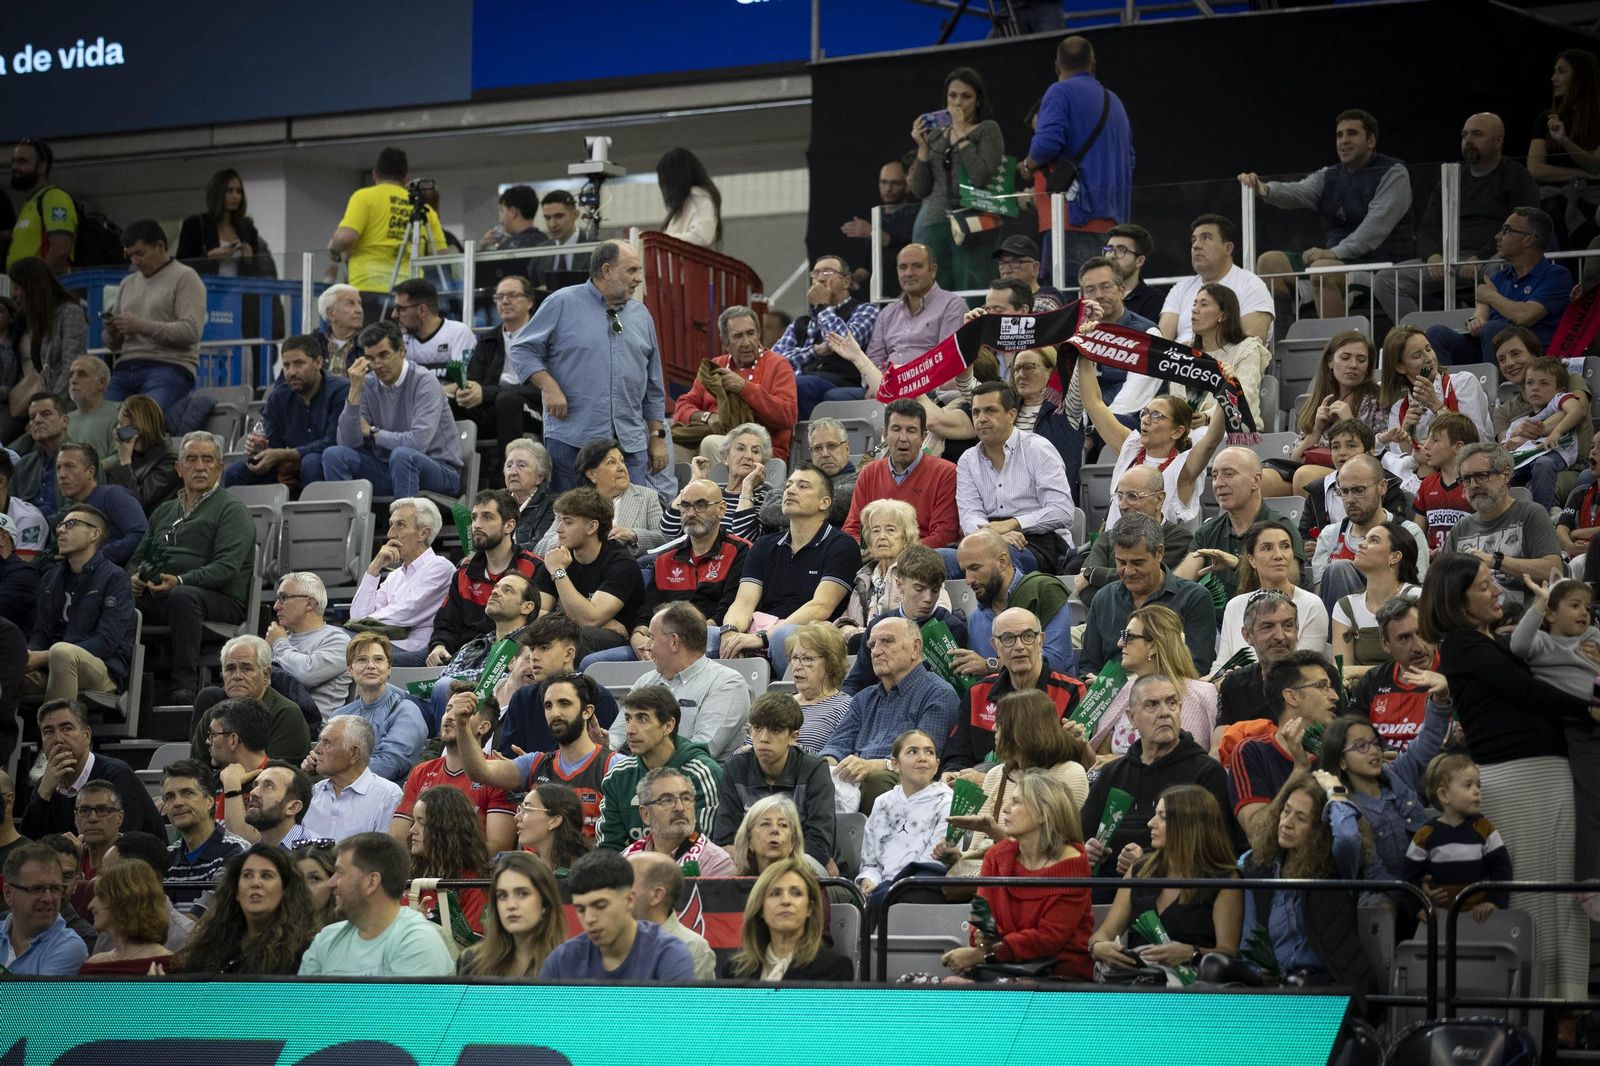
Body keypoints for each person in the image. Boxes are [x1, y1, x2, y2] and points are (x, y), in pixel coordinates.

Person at [1423, 551, 1595, 999]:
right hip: (1516, 782)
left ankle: (1562, 1004)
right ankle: (1527, 1001)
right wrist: (1590, 710)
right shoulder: (1461, 646)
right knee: (1527, 895)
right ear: (1457, 601)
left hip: (1547, 778)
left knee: (1557, 894)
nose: (1497, 590)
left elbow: (1553, 669)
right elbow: (1526, 691)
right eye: (1484, 586)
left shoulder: (1498, 642)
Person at [508, 239, 669, 491]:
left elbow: (654, 383)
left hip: (630, 444)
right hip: (572, 439)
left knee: (632, 515)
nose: (638, 278)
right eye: (632, 270)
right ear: (607, 270)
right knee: (572, 513)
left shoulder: (642, 315)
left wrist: (657, 437)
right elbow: (522, 349)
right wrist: (549, 386)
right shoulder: (561, 303)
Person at [1242, 109, 1414, 319]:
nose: (1344, 141)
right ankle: (1282, 334)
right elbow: (1299, 191)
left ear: (1371, 141)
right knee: (1269, 262)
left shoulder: (1394, 172)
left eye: (1352, 133)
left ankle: (1335, 340)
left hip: (1381, 265)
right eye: (1339, 135)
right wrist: (1265, 189)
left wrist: (1333, 253)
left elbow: (1374, 230)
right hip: (1336, 260)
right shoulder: (1330, 174)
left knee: (1322, 270)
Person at [1379, 113, 1542, 326]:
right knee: (1385, 280)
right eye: (1464, 135)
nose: (1468, 141)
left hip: (1491, 259)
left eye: (1477, 134)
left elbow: (1520, 227)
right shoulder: (1451, 177)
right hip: (1448, 260)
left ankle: (1494, 332)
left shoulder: (1517, 177)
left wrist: (1480, 256)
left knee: (1504, 270)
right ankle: (1422, 337)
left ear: (1497, 140)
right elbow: (1429, 225)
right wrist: (1433, 255)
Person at [130, 430, 254, 704]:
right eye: (191, 459)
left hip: (220, 598)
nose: (200, 467)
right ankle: (121, 683)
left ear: (220, 468)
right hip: (162, 594)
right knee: (117, 596)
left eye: (208, 460)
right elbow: (139, 557)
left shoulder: (231, 510)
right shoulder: (164, 511)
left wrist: (181, 580)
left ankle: (183, 686)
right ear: (178, 468)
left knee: (183, 597)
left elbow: (226, 568)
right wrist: (134, 578)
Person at [940, 770, 1094, 981]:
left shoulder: (1073, 865)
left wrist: (985, 954)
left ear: (1043, 813)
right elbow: (982, 916)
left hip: (1057, 973)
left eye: (1016, 802)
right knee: (946, 984)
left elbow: (1049, 938)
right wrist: (984, 937)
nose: (1005, 808)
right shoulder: (996, 856)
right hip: (1001, 967)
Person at [1081, 674, 1235, 881]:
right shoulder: (1112, 774)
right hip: (1106, 887)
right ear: (1132, 717)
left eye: (1171, 703)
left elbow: (1216, 850)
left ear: (1180, 709)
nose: (1164, 713)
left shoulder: (1206, 773)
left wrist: (1149, 861)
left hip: (1177, 890)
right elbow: (1082, 837)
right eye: (1151, 705)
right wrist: (1088, 851)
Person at [1239, 771, 1384, 990]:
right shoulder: (1257, 865)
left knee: (1298, 985)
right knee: (1215, 968)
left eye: (1301, 818)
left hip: (1327, 985)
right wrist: (1260, 972)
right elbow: (1250, 940)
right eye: (1286, 811)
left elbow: (1347, 837)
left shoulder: (1336, 865)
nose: (1287, 823)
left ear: (1319, 831)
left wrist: (1335, 791)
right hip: (1274, 986)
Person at [719, 464, 859, 679]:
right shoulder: (764, 545)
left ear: (824, 502)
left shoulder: (842, 545)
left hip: (813, 633)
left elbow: (821, 606)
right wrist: (730, 632)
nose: (791, 490)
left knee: (784, 637)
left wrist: (763, 637)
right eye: (788, 486)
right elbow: (743, 603)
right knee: (709, 636)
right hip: (761, 631)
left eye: (803, 486)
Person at [1087, 785, 1243, 977]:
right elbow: (1104, 933)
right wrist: (1098, 947)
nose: (1151, 823)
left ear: (1189, 825)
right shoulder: (1139, 870)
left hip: (1193, 985)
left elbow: (1228, 953)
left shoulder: (1225, 880)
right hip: (1137, 982)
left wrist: (1191, 953)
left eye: (1162, 817)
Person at [1509, 571, 1600, 897]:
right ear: (1550, 614)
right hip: (1576, 729)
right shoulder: (1541, 643)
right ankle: (1591, 884)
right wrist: (1539, 603)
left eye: (1587, 607)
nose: (1583, 612)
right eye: (1574, 605)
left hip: (1596, 718)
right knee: (1591, 805)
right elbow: (1517, 644)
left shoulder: (1594, 637)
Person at [940, 689, 1092, 879]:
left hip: (1037, 885)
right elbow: (978, 850)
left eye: (1001, 723)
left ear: (1022, 729)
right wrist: (956, 857)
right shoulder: (996, 774)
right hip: (989, 880)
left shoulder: (1070, 774)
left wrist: (996, 832)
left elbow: (1055, 852)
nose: (993, 728)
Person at [1016, 37, 1132, 276]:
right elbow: (1130, 161)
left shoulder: (1059, 92)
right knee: (1101, 296)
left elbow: (1047, 144)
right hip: (1113, 227)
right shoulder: (1116, 102)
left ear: (1057, 67)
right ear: (1093, 64)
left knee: (1068, 297)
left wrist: (1028, 164)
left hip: (1071, 222)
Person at [821, 617, 961, 814]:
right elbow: (837, 746)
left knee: (878, 780)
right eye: (872, 645)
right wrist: (818, 766)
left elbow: (921, 758)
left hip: (903, 783)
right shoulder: (863, 698)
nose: (876, 651)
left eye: (887, 641)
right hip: (854, 780)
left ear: (915, 648)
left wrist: (873, 766)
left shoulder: (938, 694)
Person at [1079, 353, 1226, 531]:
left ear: (1177, 431)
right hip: (1111, 546)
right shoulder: (1132, 448)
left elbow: (1211, 441)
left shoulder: (1182, 468)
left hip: (1157, 548)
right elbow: (1094, 403)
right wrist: (1084, 354)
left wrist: (1226, 388)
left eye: (1156, 416)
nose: (1145, 420)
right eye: (1145, 413)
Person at [323, 320, 463, 500]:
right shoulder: (367, 383)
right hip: (390, 468)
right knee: (333, 455)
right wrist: (354, 390)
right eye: (370, 359)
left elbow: (417, 444)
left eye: (383, 355)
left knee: (403, 455)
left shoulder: (425, 381)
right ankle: (350, 518)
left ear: (402, 351)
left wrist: (373, 433)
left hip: (439, 470)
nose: (377, 364)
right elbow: (347, 443)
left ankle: (404, 518)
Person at [954, 382, 1075, 576]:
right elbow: (969, 515)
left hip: (1038, 542)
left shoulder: (1038, 449)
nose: (981, 419)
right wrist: (993, 537)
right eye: (976, 412)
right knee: (936, 560)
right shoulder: (967, 460)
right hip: (986, 540)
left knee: (997, 560)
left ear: (1011, 415)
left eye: (990, 410)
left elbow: (1062, 511)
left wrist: (1014, 523)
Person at [945, 606, 1085, 773]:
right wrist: (953, 775)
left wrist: (994, 781)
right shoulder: (978, 693)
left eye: (1028, 636)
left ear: (1041, 641)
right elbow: (957, 757)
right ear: (995, 646)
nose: (1019, 646)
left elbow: (1073, 764)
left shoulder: (1071, 691)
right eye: (1008, 638)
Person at [1322, 702, 1450, 885]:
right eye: (1361, 746)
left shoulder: (1396, 775)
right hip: (1388, 895)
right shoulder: (1345, 809)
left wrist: (1439, 701)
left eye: (1375, 743)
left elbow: (1427, 741)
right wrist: (1415, 894)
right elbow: (1372, 874)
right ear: (1341, 761)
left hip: (1431, 883)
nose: (1374, 751)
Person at [1427, 208, 1572, 364]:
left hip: (1531, 355)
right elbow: (1479, 315)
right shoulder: (1498, 277)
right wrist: (1474, 322)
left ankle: (1495, 380)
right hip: (1487, 347)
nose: (1497, 236)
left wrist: (1491, 296)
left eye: (1507, 230)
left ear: (1528, 240)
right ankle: (1437, 381)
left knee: (1493, 328)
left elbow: (1525, 316)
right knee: (1437, 333)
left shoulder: (1556, 275)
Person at [605, 604, 750, 761]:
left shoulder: (727, 683)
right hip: (642, 770)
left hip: (695, 775)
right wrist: (603, 746)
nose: (646, 646)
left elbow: (702, 751)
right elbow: (616, 738)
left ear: (674, 642)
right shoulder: (645, 681)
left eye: (652, 638)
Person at [298, 831, 454, 976]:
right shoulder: (326, 939)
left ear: (371, 882)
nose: (331, 883)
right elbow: (302, 997)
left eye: (340, 873)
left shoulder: (417, 941)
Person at [25, 503, 134, 704]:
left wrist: (46, 656)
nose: (60, 530)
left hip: (101, 668)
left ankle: (60, 724)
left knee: (62, 652)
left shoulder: (115, 578)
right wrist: (30, 655)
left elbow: (106, 642)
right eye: (60, 525)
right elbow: (40, 633)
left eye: (71, 524)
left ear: (94, 534)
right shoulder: (50, 578)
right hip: (51, 665)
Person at [1226, 651, 1343, 838]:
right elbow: (1257, 833)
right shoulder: (1252, 752)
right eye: (1322, 686)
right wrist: (1299, 771)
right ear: (1292, 697)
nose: (1334, 696)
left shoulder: (1338, 752)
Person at [1082, 514, 1218, 675]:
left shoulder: (1194, 598)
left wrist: (1135, 684)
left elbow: (1197, 667)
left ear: (1159, 553)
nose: (1129, 571)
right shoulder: (1104, 599)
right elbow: (1088, 666)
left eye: (1137, 562)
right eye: (1121, 562)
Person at [326, 147, 447, 324]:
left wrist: (333, 249)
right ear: (406, 178)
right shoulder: (423, 208)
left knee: (372, 340)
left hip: (368, 287)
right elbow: (441, 255)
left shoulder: (364, 197)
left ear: (375, 174)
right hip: (410, 295)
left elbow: (345, 238)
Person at [908, 67, 1004, 290]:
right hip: (935, 222)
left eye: (966, 96)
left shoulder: (987, 129)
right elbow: (920, 189)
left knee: (972, 287)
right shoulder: (937, 135)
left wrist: (961, 132)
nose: (958, 102)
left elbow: (980, 176)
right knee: (937, 292)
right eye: (952, 95)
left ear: (978, 101)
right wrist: (922, 149)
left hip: (973, 221)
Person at [713, 693, 836, 866]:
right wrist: (764, 858)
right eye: (757, 728)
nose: (763, 738)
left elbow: (819, 845)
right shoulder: (736, 768)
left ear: (793, 737)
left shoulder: (814, 770)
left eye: (775, 730)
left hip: (803, 864)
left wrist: (770, 861)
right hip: (752, 864)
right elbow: (724, 840)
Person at [596, 685, 724, 851]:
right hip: (631, 866)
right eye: (628, 719)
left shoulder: (701, 773)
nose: (630, 730)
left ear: (668, 726)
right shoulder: (618, 776)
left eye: (642, 719)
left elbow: (702, 845)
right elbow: (608, 847)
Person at [540, 848, 695, 980]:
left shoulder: (669, 955)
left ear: (629, 900)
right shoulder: (562, 959)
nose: (589, 919)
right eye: (581, 909)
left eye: (600, 906)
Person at [1178, 448, 1310, 604]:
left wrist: (1238, 564)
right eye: (1214, 476)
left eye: (1229, 474)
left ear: (1256, 481)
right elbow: (1179, 584)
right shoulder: (1208, 531)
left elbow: (1288, 584)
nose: (1218, 483)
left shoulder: (1280, 528)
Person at [100, 221, 207, 410]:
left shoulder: (186, 277)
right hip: (125, 367)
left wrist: (141, 326)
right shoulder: (127, 283)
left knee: (146, 418)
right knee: (103, 419)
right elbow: (113, 344)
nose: (135, 261)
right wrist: (111, 330)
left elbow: (191, 331)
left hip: (169, 366)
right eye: (130, 255)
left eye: (140, 253)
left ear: (160, 246)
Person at [425, 490, 541, 665]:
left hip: (508, 658)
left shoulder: (534, 568)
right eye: (474, 518)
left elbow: (534, 625)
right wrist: (440, 645)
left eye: (487, 517)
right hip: (458, 656)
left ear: (509, 526)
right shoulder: (463, 573)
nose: (477, 525)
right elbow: (447, 622)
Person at [672, 305, 799, 464]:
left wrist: (744, 388)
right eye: (738, 336)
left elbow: (788, 415)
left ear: (758, 334)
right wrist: (707, 417)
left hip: (762, 450)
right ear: (726, 343)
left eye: (751, 333)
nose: (746, 342)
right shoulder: (716, 365)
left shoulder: (778, 364)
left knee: (711, 443)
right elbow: (683, 406)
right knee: (670, 448)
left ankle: (713, 482)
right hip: (708, 438)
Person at [20, 699, 164, 840]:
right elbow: (27, 847)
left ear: (87, 735)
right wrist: (42, 796)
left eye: (66, 729)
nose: (57, 739)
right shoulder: (44, 786)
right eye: (48, 732)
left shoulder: (117, 774)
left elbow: (125, 844)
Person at [392, 695, 516, 855]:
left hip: (469, 871)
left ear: (483, 727)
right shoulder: (421, 771)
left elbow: (498, 848)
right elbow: (398, 837)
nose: (450, 716)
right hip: (422, 869)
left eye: (462, 712)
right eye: (448, 709)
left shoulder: (498, 775)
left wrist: (440, 856)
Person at [1443, 443, 1563, 607]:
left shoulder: (1531, 514)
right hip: (1472, 615)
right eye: (1466, 479)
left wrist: (1496, 561)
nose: (1473, 485)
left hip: (1521, 616)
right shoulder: (1461, 528)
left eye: (1481, 475)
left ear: (1506, 475)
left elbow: (1554, 570)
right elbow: (1443, 581)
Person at [1090, 605, 1218, 758]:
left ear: (1153, 646)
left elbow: (1194, 762)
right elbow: (1099, 757)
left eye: (1128, 636)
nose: (1120, 643)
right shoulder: (1120, 689)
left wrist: (1120, 763)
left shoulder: (1203, 694)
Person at [534, 487, 646, 660]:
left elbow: (590, 620)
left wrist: (558, 572)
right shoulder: (558, 557)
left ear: (592, 527)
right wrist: (587, 620)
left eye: (568, 522)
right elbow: (534, 614)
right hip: (591, 628)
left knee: (577, 638)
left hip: (619, 638)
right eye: (560, 521)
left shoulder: (621, 564)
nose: (559, 529)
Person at [1311, 454, 1430, 616]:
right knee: (1338, 570)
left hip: (1391, 621)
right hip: (1339, 624)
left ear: (1382, 487)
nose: (1350, 499)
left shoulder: (1408, 532)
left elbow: (1418, 596)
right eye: (1344, 491)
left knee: (1340, 569)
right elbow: (1321, 599)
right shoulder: (1330, 535)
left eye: (1359, 490)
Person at [1271, 332, 1386, 498]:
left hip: (1356, 473)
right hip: (1309, 469)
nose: (1353, 365)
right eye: (1345, 358)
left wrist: (1351, 423)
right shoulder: (1320, 398)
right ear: (1330, 362)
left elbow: (1380, 453)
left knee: (1304, 476)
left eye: (1361, 360)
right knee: (1262, 480)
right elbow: (1293, 461)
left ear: (1368, 367)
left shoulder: (1378, 399)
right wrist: (1315, 432)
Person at [223, 335, 348, 488]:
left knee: (311, 462)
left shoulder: (340, 390)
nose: (291, 372)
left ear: (318, 362)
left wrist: (286, 455)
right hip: (285, 466)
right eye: (286, 365)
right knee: (235, 472)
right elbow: (271, 441)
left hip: (322, 464)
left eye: (299, 363)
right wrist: (260, 447)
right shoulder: (278, 396)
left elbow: (334, 441)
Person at [173, 844, 319, 974]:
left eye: (266, 876)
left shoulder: (303, 951)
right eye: (247, 875)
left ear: (285, 890)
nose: (255, 883)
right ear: (236, 891)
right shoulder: (209, 946)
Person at [1402, 753, 1514, 922]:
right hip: (1441, 918)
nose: (1476, 791)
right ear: (1444, 795)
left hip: (1480, 919)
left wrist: (1493, 901)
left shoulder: (1484, 829)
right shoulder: (1425, 835)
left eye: (1478, 785)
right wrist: (1417, 908)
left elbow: (1502, 868)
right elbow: (1409, 877)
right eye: (1468, 785)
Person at [345, 496, 455, 666]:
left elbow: (404, 613)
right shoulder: (395, 576)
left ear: (423, 533)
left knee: (336, 641)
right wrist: (374, 568)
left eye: (400, 525)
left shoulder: (440, 567)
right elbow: (357, 616)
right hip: (379, 643)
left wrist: (360, 623)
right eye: (391, 525)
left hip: (410, 649)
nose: (390, 534)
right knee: (330, 639)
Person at [1378, 326, 1491, 487]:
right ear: (1400, 367)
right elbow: (1401, 466)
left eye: (1428, 349)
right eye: (1417, 355)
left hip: (1472, 474)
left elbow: (1474, 442)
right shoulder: (1399, 408)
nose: (1429, 358)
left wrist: (1437, 406)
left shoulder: (1464, 383)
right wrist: (1406, 436)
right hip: (1422, 481)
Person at [495, 614, 622, 757]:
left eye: (544, 648)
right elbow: (506, 758)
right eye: (532, 649)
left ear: (569, 654)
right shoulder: (522, 698)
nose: (534, 657)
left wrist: (534, 764)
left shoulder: (599, 697)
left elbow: (598, 761)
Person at [840, 402, 959, 551]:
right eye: (896, 429)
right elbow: (852, 529)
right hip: (873, 554)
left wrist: (895, 552)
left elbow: (944, 535)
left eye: (911, 430)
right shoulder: (869, 472)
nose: (903, 438)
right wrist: (869, 551)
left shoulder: (946, 473)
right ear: (885, 434)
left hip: (921, 556)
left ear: (923, 437)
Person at [1209, 521, 1331, 667]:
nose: (1279, 555)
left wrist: (1238, 676)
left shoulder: (1312, 604)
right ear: (1252, 560)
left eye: (1285, 546)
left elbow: (1303, 668)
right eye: (1267, 548)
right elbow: (1221, 666)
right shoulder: (1235, 606)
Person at [838, 512, 958, 660]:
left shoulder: (921, 571)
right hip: (866, 646)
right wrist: (857, 633)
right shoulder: (863, 577)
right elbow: (845, 623)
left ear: (906, 538)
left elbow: (937, 616)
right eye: (876, 531)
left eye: (890, 530)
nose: (882, 536)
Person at [852, 728, 949, 907]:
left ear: (936, 765)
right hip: (883, 888)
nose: (922, 758)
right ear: (895, 764)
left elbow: (935, 861)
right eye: (913, 751)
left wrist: (892, 887)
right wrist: (869, 880)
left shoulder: (947, 801)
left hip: (922, 886)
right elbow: (871, 862)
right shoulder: (882, 802)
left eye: (929, 752)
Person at [775, 255, 881, 418]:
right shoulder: (802, 322)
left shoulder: (865, 310)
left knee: (802, 384)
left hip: (845, 381)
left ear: (846, 281)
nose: (820, 278)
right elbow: (775, 359)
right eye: (815, 274)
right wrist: (814, 351)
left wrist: (822, 307)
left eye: (827, 272)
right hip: (807, 379)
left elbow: (846, 343)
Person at [1074, 467, 1193, 609]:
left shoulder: (1179, 540)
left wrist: (1093, 575)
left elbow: (1151, 582)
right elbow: (1085, 591)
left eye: (1132, 496)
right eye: (1120, 496)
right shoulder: (1107, 538)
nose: (1122, 505)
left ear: (1159, 499)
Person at [723, 856, 854, 981]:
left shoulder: (834, 968)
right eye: (775, 893)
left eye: (796, 893)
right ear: (761, 908)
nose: (786, 901)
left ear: (809, 908)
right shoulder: (735, 970)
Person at [187, 635, 312, 766]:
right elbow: (196, 771)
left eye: (246, 668)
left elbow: (279, 774)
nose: (237, 676)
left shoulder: (286, 714)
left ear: (266, 674)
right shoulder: (212, 715)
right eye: (230, 668)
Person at [535, 440, 666, 559]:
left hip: (627, 567)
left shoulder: (647, 496)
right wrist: (573, 536)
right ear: (592, 474)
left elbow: (665, 539)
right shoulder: (573, 502)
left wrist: (633, 535)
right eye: (612, 462)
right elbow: (540, 549)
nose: (621, 467)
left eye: (622, 461)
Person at [323, 634, 427, 782]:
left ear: (389, 668)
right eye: (362, 660)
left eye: (378, 659)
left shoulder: (406, 711)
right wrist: (315, 763)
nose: (371, 665)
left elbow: (389, 765)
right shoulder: (339, 715)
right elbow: (325, 758)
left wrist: (336, 769)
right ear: (350, 669)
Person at [1157, 214, 1274, 346]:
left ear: (1228, 248)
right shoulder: (1180, 289)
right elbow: (1161, 342)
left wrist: (1197, 350)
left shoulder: (1251, 285)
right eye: (1194, 240)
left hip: (1225, 359)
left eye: (1206, 238)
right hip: (1178, 357)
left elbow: (1252, 345)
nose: (1196, 245)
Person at [863, 244, 969, 388]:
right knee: (836, 395)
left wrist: (905, 384)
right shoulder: (887, 313)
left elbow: (947, 360)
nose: (908, 273)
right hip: (887, 387)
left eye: (917, 266)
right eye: (903, 267)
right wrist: (876, 383)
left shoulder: (953, 306)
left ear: (933, 270)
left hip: (929, 388)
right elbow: (874, 358)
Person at [1175, 283, 1272, 437]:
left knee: (1200, 434)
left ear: (1223, 315)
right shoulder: (1185, 353)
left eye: (1203, 304)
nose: (1194, 309)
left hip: (1237, 430)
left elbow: (1243, 396)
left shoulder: (1247, 349)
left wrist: (1207, 416)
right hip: (1187, 431)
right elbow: (1176, 399)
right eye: (1194, 304)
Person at [1347, 597, 1440, 751]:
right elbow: (1352, 739)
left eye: (1422, 633)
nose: (1418, 647)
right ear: (1385, 643)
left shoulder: (1454, 677)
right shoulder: (1373, 681)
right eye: (1405, 638)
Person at [1330, 522, 1422, 675]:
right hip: (1362, 690)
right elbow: (1340, 672)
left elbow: (1420, 666)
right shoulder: (1346, 606)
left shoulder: (1416, 598)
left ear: (1394, 557)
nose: (1361, 544)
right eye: (1364, 539)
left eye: (1374, 540)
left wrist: (1357, 672)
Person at [1529, 49, 1600, 246]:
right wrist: (1580, 174)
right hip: (1551, 201)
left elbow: (1596, 165)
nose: (1553, 78)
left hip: (1592, 201)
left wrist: (1564, 141)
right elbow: (1535, 169)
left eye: (1561, 71)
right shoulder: (1545, 119)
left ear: (1580, 77)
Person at [456, 852, 567, 978]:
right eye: (502, 896)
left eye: (522, 894)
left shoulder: (569, 964)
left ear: (545, 902)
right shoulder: (471, 963)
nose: (511, 905)